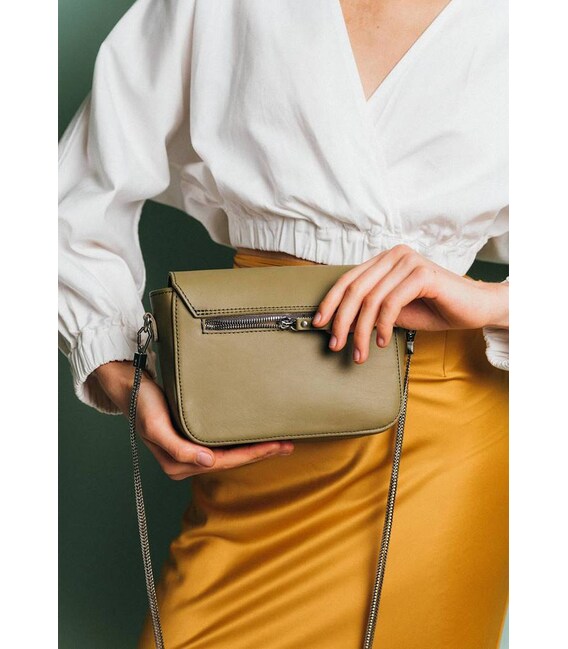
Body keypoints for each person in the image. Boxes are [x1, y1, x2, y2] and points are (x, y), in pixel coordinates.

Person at [58, 0, 509, 647]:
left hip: (444, 452)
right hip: (253, 427)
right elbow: (76, 194)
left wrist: (493, 302)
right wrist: (115, 370)